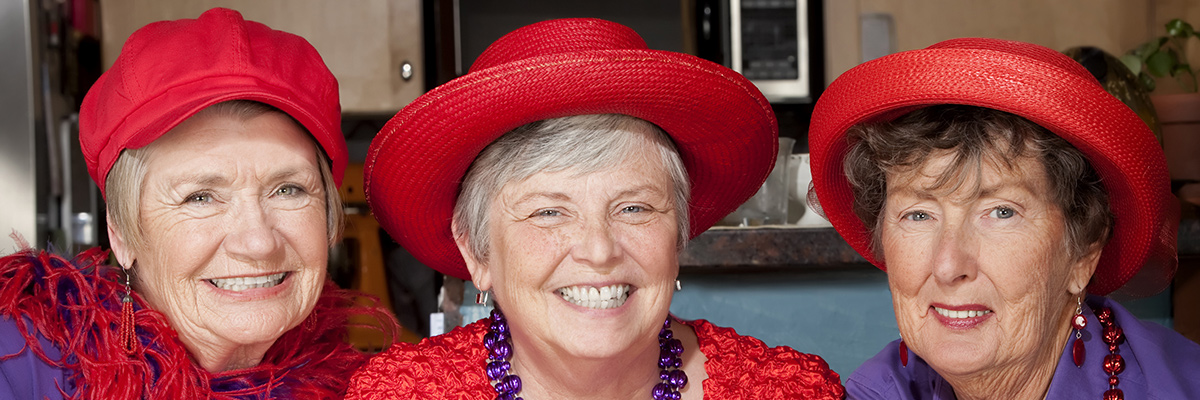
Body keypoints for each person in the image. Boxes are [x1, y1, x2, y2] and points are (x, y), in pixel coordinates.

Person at [345, 18, 845, 399]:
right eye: (549, 212)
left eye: (634, 208)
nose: (599, 250)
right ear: (476, 249)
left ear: (678, 233)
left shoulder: (791, 390)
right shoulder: (400, 391)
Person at [0, 8, 394, 398]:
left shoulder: (372, 387)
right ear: (121, 235)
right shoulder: (21, 363)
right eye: (200, 197)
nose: (258, 241)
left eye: (288, 189)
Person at [807, 37, 1200, 399]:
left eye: (1001, 211)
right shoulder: (877, 390)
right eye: (919, 214)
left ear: (1084, 251)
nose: (948, 266)